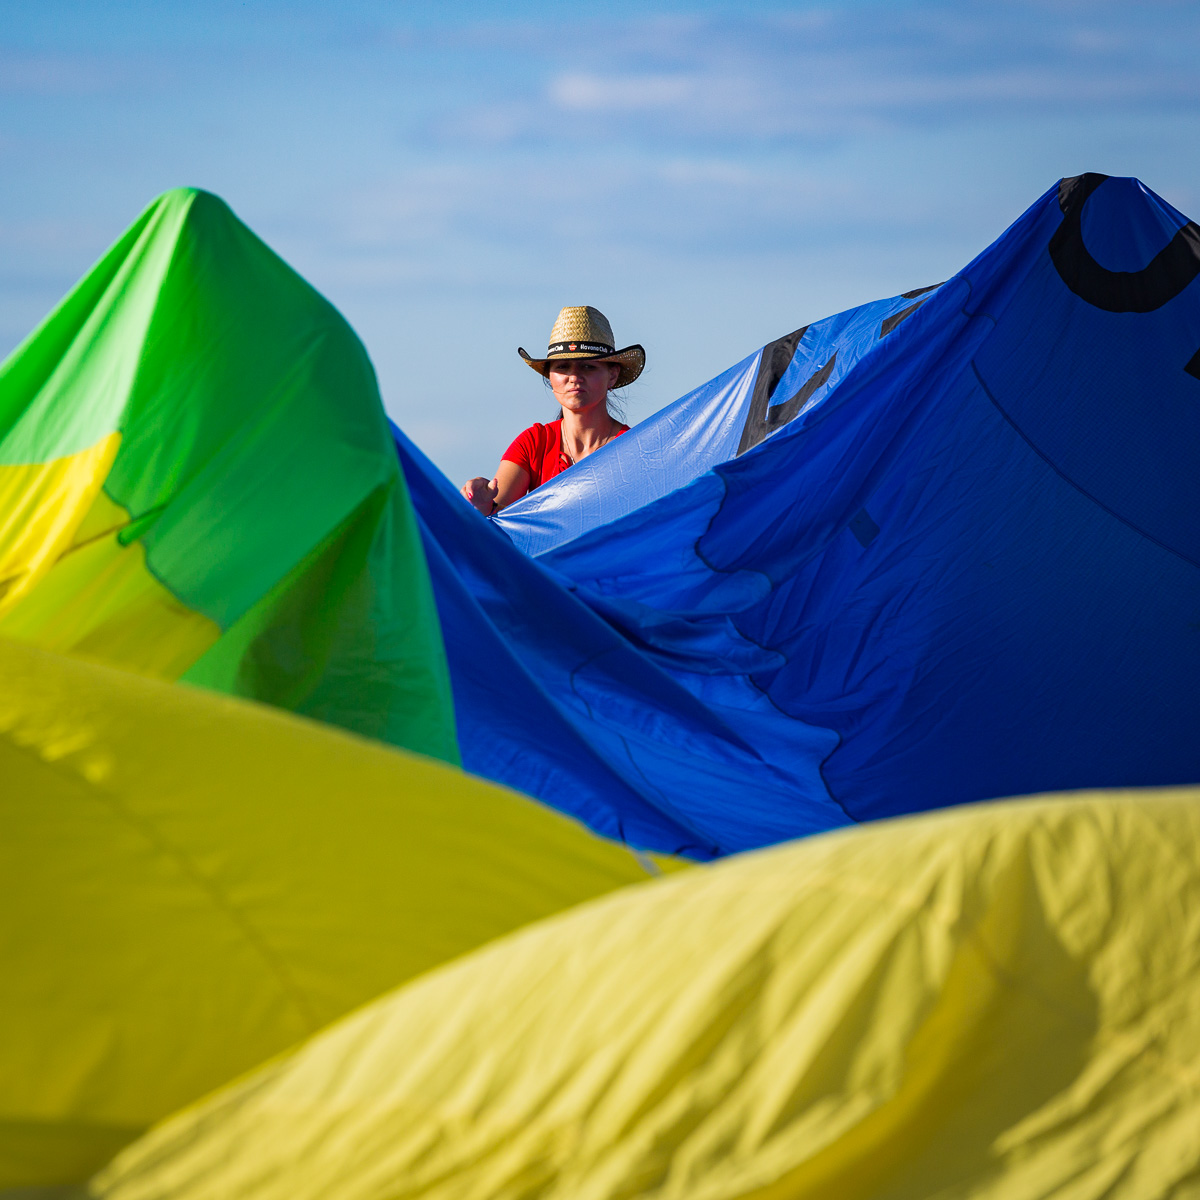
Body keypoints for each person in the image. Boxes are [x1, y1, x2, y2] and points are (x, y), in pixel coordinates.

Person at [461, 306, 644, 515]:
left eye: (588, 366)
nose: (573, 377)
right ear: (550, 377)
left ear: (612, 375)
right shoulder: (533, 443)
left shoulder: (633, 447)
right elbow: (498, 519)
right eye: (563, 367)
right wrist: (482, 506)